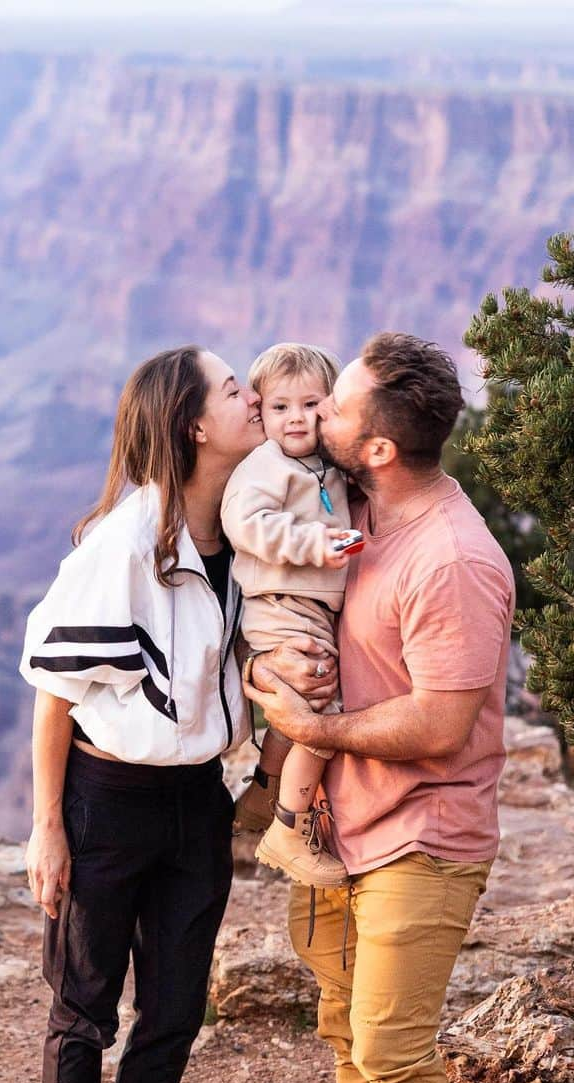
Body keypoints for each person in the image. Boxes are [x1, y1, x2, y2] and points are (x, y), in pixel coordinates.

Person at [20, 345, 326, 1083]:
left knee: (176, 1010)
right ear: (195, 426)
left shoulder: (242, 538)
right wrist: (48, 829)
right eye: (236, 389)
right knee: (83, 1007)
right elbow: (56, 692)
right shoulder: (121, 548)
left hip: (195, 802)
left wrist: (265, 773)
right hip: (106, 802)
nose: (253, 399)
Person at [243, 332, 514, 1083]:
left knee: (395, 1048)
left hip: (424, 838)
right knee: (344, 1031)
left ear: (381, 448)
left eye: (341, 407)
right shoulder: (354, 511)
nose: (320, 416)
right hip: (342, 828)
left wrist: (314, 731)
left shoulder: (452, 559)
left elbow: (441, 723)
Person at [221, 342, 355, 887]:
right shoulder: (265, 465)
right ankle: (289, 828)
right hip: (281, 605)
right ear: (261, 410)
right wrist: (313, 545)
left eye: (309, 404)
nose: (295, 418)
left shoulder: (326, 463)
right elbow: (245, 524)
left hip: (310, 607)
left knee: (294, 708)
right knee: (322, 713)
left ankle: (262, 790)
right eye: (280, 407)